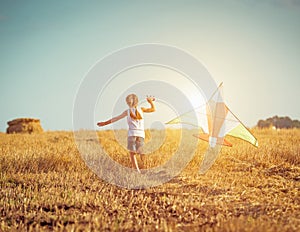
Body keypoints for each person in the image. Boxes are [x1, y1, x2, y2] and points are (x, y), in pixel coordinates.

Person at [97, 94, 155, 173]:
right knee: (141, 151)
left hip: (132, 133)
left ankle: (137, 171)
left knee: (132, 153)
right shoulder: (141, 109)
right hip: (141, 134)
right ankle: (146, 167)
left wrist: (105, 123)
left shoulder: (127, 111)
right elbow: (153, 109)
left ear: (128, 103)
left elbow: (116, 118)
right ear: (137, 102)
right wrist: (150, 101)